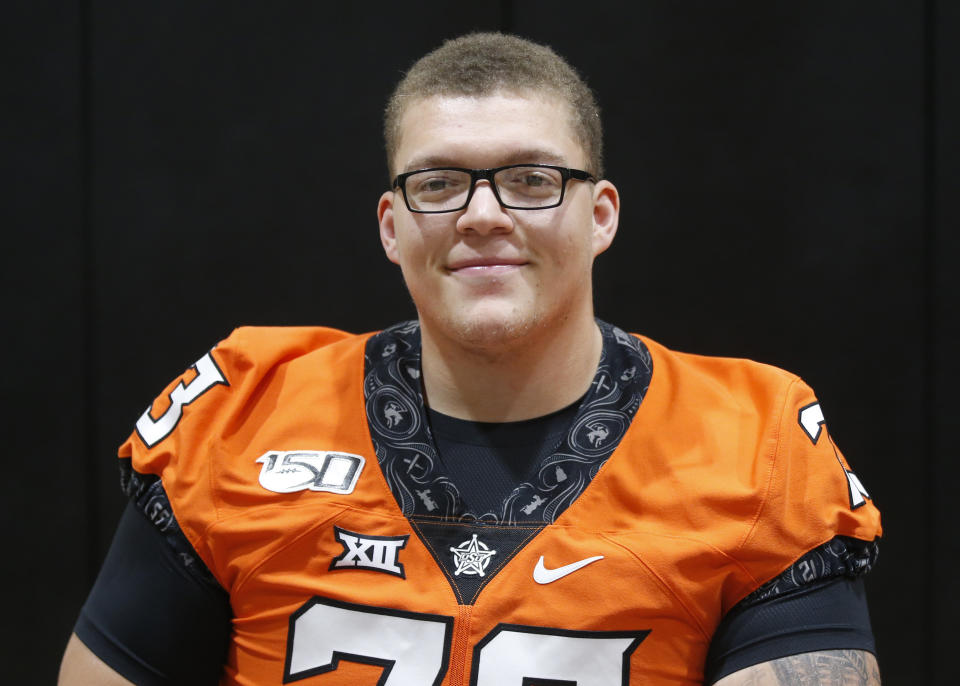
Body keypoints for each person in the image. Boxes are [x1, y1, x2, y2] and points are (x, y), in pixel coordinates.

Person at [59, 33, 882, 685]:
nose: (483, 215)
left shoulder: (754, 443)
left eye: (531, 179)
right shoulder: (242, 412)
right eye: (439, 182)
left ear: (600, 215)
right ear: (391, 224)